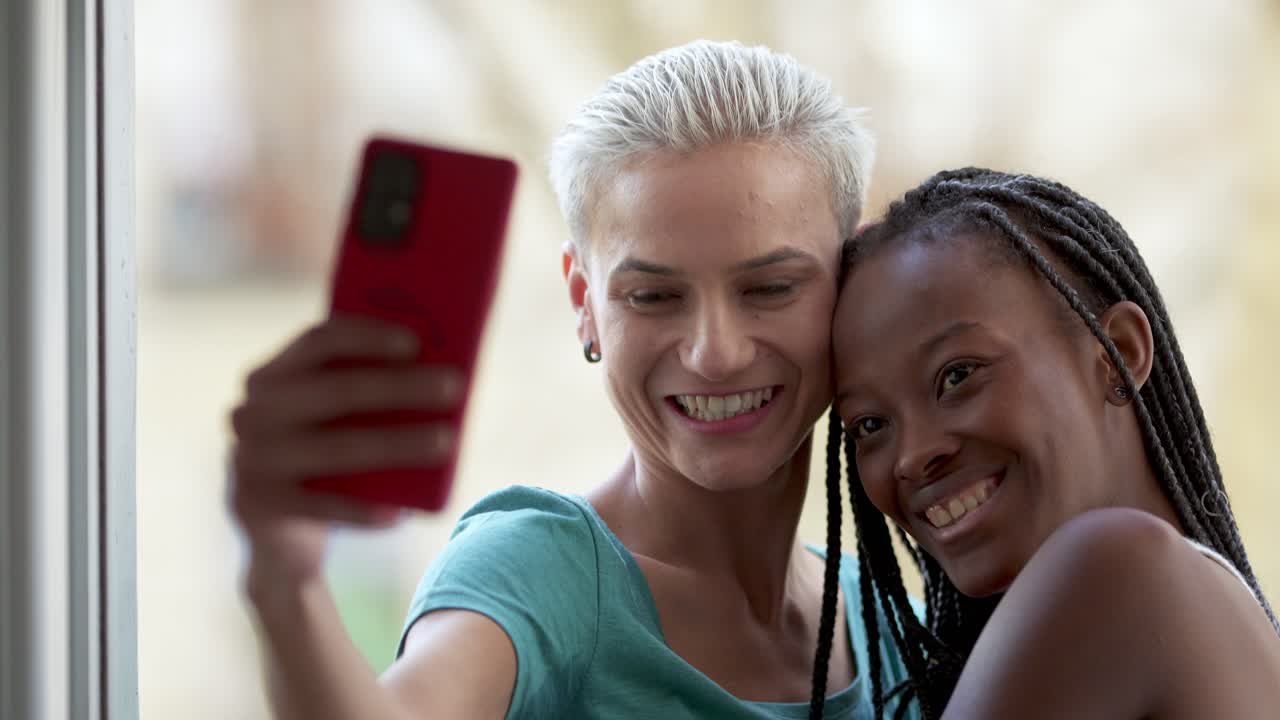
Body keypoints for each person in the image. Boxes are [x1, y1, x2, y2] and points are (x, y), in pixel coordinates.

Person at [229, 40, 919, 719]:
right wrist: (286, 585)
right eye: (652, 297)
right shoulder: (535, 575)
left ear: (852, 277)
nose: (716, 353)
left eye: (769, 287)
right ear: (583, 303)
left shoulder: (895, 623)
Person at [822, 168, 1280, 718]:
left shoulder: (1114, 567)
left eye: (958, 375)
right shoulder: (1198, 603)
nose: (914, 455)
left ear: (1117, 353)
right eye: (870, 425)